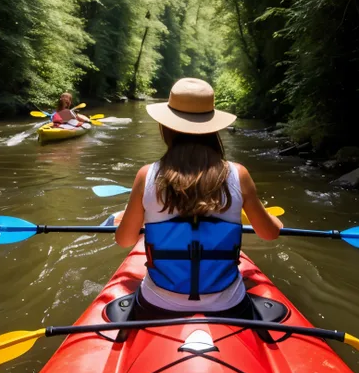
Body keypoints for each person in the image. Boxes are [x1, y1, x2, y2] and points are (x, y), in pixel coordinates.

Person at [115, 77, 282, 319]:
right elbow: (270, 233)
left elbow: (124, 240)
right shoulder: (239, 174)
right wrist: (276, 222)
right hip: (228, 306)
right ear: (212, 127)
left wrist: (129, 220)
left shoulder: (146, 175)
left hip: (158, 303)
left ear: (166, 127)